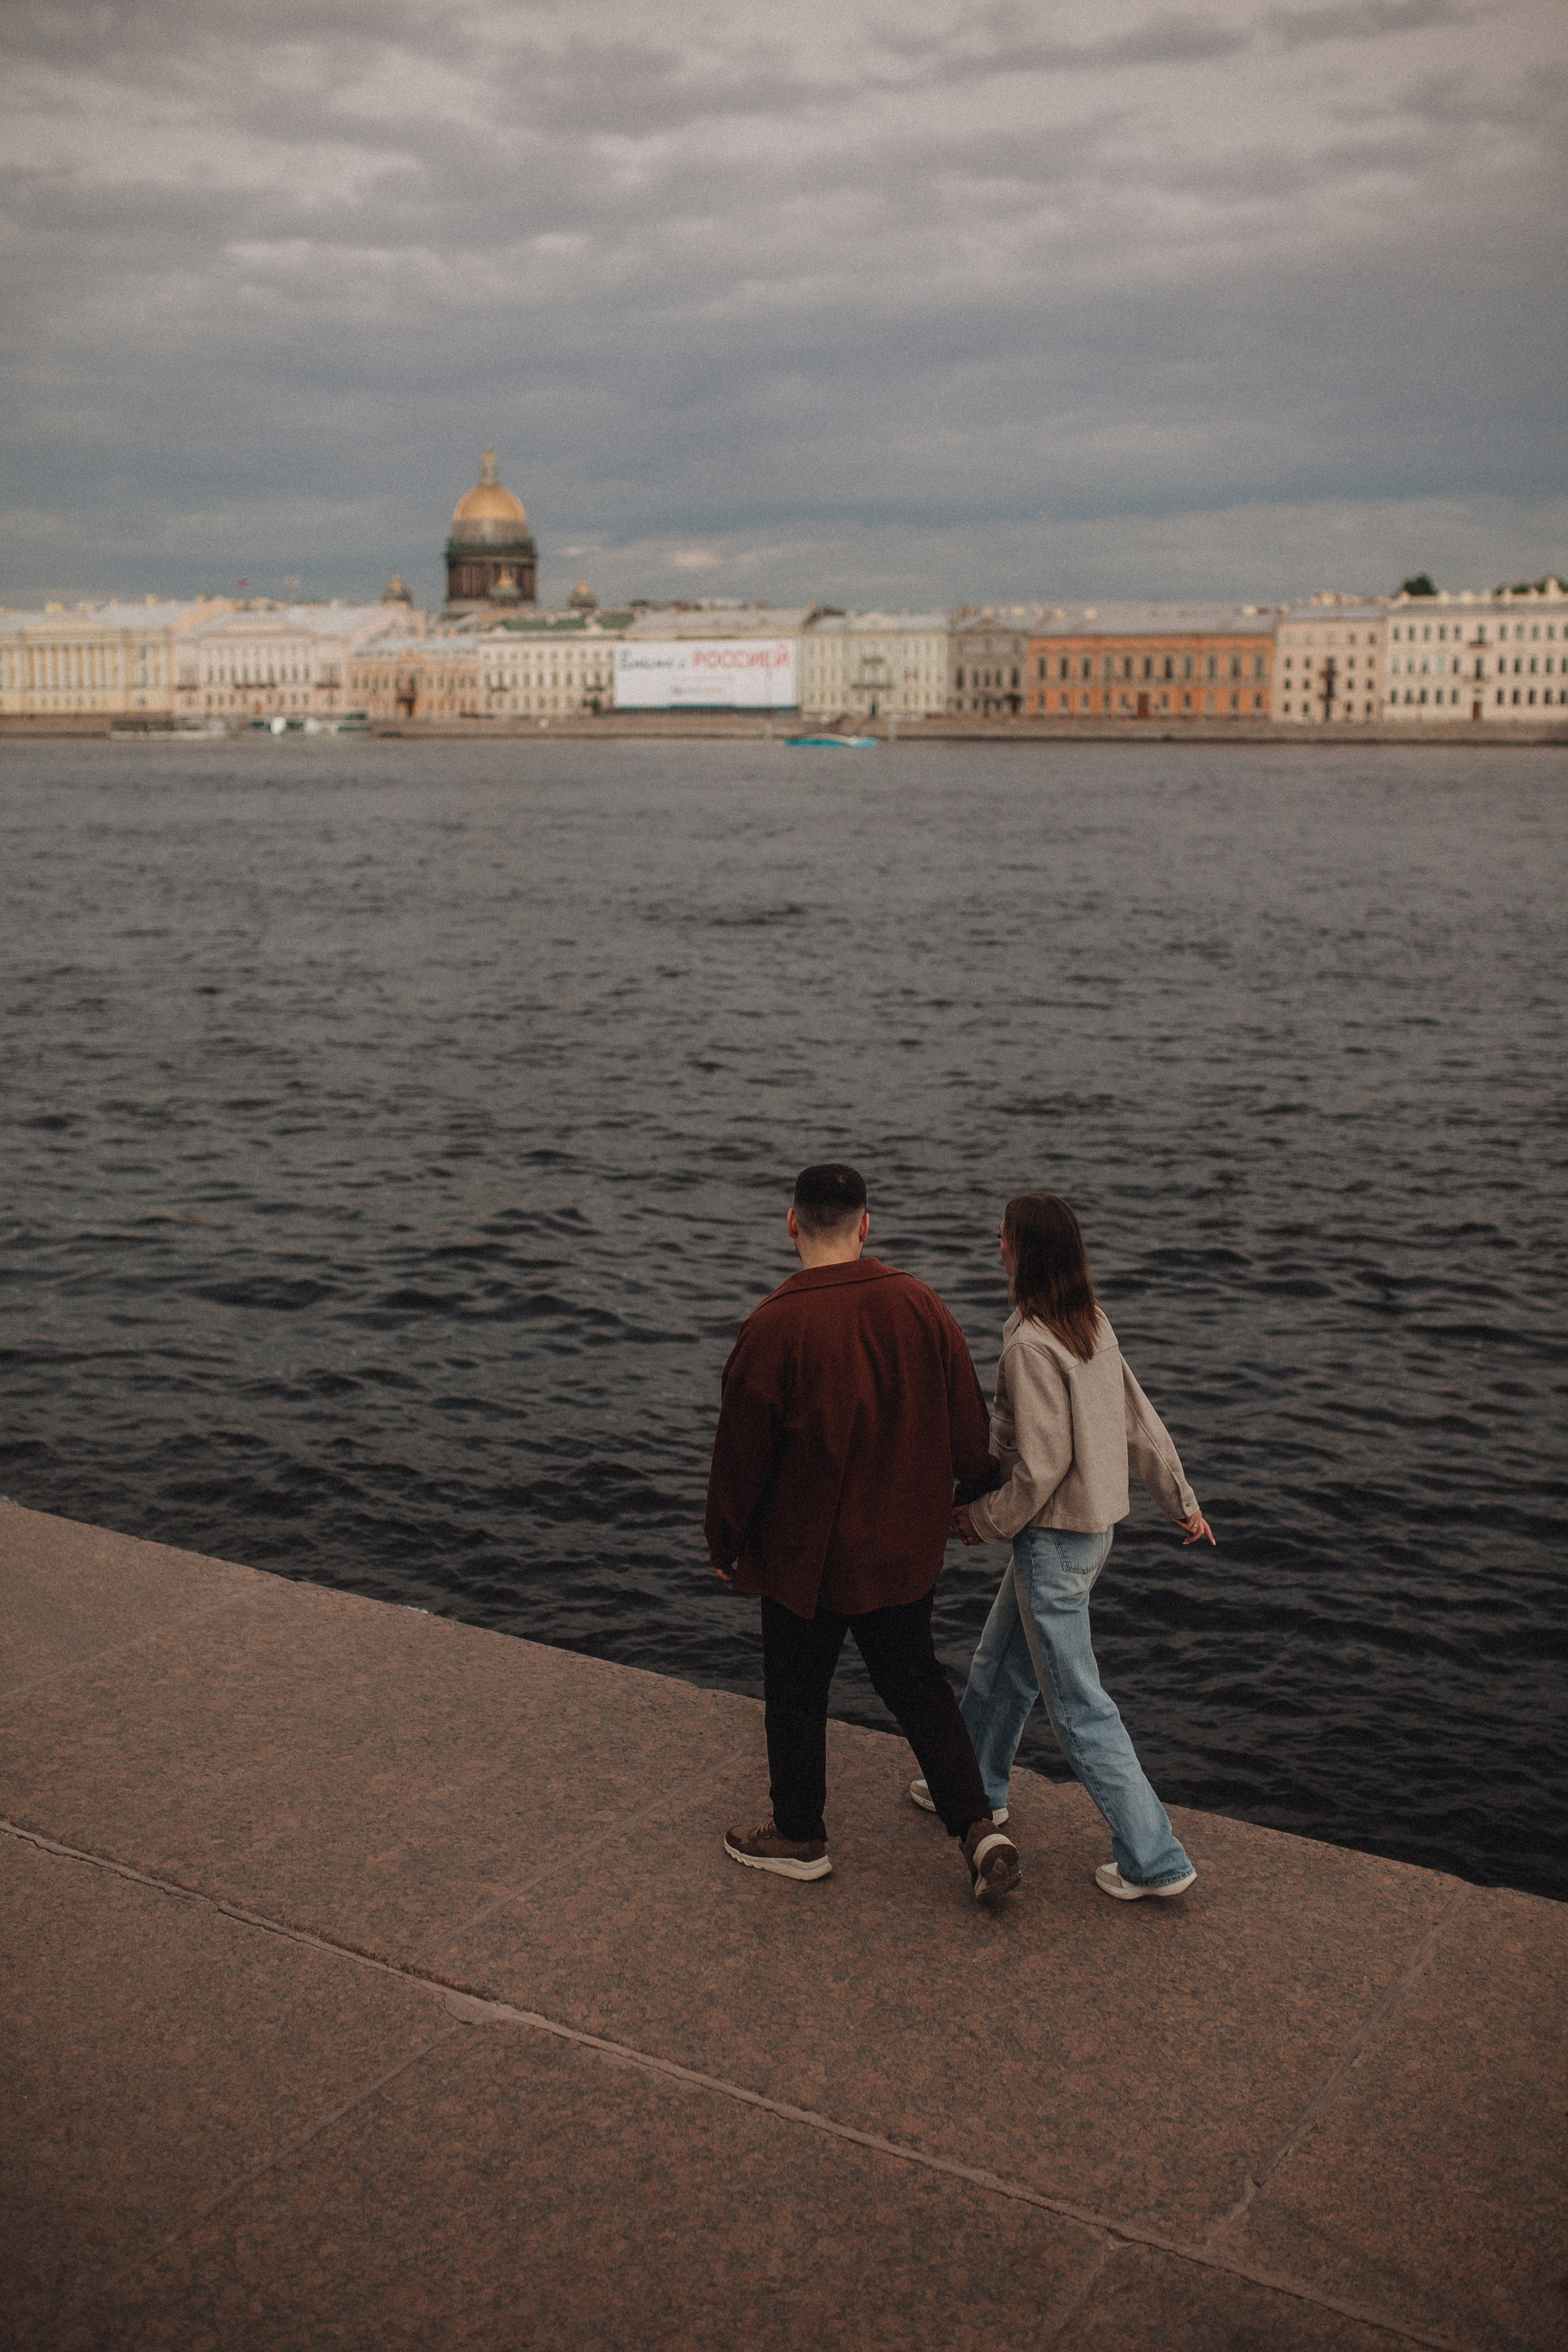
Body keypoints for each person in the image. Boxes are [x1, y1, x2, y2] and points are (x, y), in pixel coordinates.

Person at [704, 1163, 1022, 1902]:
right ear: (864, 1225)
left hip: (804, 1556)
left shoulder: (773, 1325)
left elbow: (740, 1456)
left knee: (795, 1689)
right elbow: (967, 1429)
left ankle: (799, 1836)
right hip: (899, 1547)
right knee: (917, 1685)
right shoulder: (919, 1304)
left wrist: (726, 1543)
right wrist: (973, 1489)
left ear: (791, 1224)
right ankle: (978, 1829)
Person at [911, 1192, 1213, 1901]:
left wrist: (979, 1519)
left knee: (1078, 1707)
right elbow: (1142, 1424)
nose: (997, 1248)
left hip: (1051, 1543)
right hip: (1092, 1536)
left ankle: (1154, 1859)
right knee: (1000, 1664)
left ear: (1025, 1253)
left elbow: (1041, 1466)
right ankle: (974, 1789)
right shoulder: (1090, 1324)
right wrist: (1183, 1504)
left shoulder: (1029, 1344)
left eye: (1003, 1240)